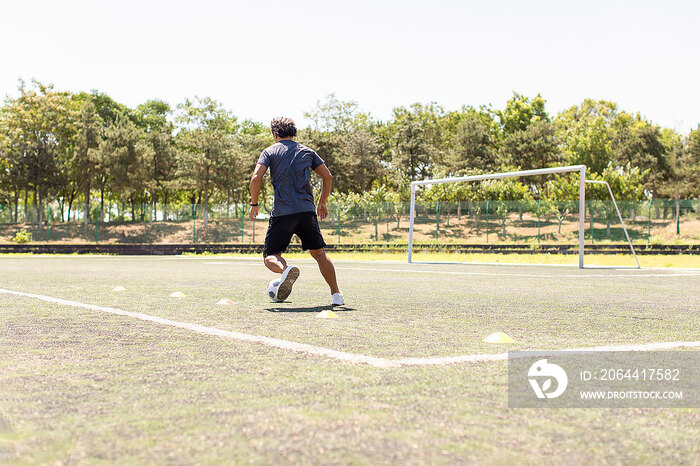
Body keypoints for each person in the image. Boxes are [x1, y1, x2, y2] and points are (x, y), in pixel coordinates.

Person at [248, 117, 344, 306]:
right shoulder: (307, 151)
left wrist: (254, 203)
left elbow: (256, 177)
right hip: (307, 212)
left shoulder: (269, 151)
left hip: (283, 213)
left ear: (275, 134)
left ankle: (285, 271)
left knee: (270, 256)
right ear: (294, 133)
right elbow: (327, 176)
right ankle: (337, 295)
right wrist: (322, 203)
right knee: (320, 254)